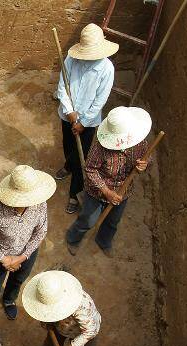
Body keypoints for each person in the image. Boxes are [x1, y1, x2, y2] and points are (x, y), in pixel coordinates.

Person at [0, 165, 55, 331]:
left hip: (26, 254)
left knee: (18, 280)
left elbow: (41, 232)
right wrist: (4, 259)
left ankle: (9, 300)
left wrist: (21, 257)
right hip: (0, 255)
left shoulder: (40, 205)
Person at [65, 106, 151, 256]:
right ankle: (73, 238)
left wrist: (143, 164)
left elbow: (146, 157)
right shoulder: (100, 146)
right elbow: (90, 169)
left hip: (123, 192)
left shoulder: (140, 142)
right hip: (97, 192)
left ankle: (104, 241)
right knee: (88, 220)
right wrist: (106, 191)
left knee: (112, 221)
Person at [54, 23, 118, 214]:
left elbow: (100, 101)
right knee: (68, 145)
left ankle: (75, 193)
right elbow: (62, 87)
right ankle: (68, 165)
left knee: (85, 158)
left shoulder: (107, 69)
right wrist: (70, 112)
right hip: (68, 115)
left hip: (88, 122)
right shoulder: (71, 59)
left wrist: (83, 122)